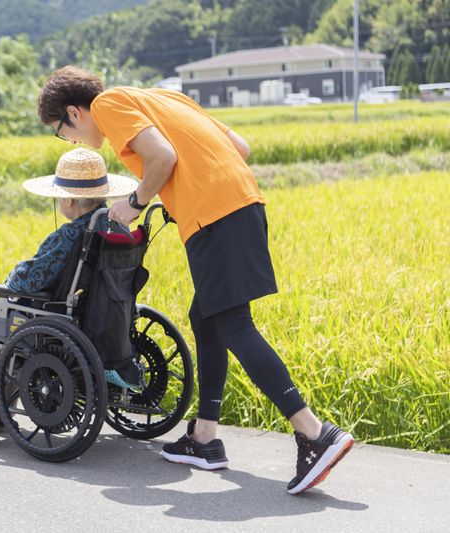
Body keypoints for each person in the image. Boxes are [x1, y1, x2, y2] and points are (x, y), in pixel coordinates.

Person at [37, 66, 354, 495]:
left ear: (74, 112)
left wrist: (136, 202)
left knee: (232, 324)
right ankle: (204, 439)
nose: (69, 139)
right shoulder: (165, 98)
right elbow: (237, 146)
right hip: (242, 203)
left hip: (215, 217)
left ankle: (314, 434)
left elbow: (162, 158)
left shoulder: (108, 105)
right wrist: (183, 192)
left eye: (61, 131)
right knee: (205, 316)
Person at [0, 147, 145, 389]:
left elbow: (26, 280)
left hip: (51, 315)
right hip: (100, 313)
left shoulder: (71, 234)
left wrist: (9, 282)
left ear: (68, 200)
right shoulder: (116, 228)